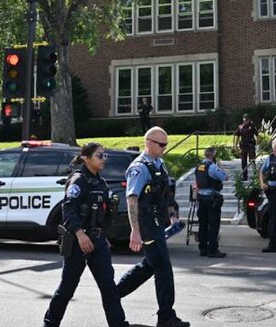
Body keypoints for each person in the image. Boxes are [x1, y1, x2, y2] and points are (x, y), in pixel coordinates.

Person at [42, 143, 129, 327]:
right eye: (100, 155)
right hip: (78, 243)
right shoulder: (78, 180)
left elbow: (104, 214)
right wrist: (80, 235)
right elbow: (69, 210)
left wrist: (104, 236)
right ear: (86, 158)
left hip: (97, 243)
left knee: (108, 287)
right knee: (67, 288)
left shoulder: (101, 182)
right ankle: (50, 323)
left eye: (105, 155)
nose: (104, 159)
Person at [116, 127, 190, 327]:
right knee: (163, 268)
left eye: (166, 144)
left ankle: (113, 295)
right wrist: (135, 230)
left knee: (148, 266)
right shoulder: (139, 168)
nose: (165, 148)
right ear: (149, 142)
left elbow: (165, 194)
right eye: (161, 144)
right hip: (147, 225)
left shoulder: (159, 164)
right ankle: (166, 317)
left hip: (157, 223)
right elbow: (132, 200)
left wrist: (172, 215)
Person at [193, 147, 227, 258]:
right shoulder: (212, 167)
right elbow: (224, 177)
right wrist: (220, 167)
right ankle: (213, 249)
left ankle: (203, 248)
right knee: (213, 224)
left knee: (203, 223)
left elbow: (197, 182)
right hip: (211, 198)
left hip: (201, 197)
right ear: (213, 155)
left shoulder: (199, 166)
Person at [233, 114, 258, 181]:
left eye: (246, 120)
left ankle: (255, 175)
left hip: (251, 145)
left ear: (249, 120)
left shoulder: (252, 126)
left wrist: (258, 144)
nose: (245, 121)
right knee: (243, 161)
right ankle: (244, 176)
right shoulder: (240, 127)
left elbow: (257, 135)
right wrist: (235, 145)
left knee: (252, 160)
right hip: (243, 146)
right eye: (244, 120)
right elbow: (237, 136)